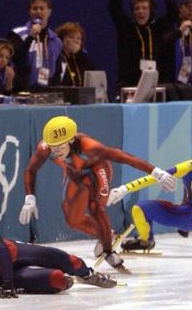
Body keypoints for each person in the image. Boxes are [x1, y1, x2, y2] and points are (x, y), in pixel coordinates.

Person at [19, 116, 176, 272]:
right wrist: (29, 198)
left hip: (98, 171)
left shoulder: (90, 147)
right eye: (53, 147)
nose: (56, 151)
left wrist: (157, 173)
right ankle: (107, 233)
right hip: (74, 174)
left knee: (95, 207)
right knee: (73, 220)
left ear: (71, 140)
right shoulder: (45, 148)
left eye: (60, 146)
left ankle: (108, 251)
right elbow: (31, 170)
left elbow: (124, 157)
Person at [108, 134, 192, 257]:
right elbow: (157, 176)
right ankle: (146, 241)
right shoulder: (189, 167)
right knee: (140, 208)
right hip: (186, 216)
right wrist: (124, 189)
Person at [108, 0, 178, 88]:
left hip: (155, 83)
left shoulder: (157, 27)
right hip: (129, 83)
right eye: (137, 8)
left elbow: (174, 13)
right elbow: (114, 6)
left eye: (144, 8)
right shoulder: (127, 27)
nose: (141, 11)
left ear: (150, 11)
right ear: (133, 12)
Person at [8, 0, 62, 92]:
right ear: (30, 11)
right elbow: (15, 57)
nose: (38, 12)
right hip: (22, 91)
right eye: (35, 8)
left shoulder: (56, 41)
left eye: (42, 8)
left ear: (49, 12)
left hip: (47, 93)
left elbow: (58, 72)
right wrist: (30, 38)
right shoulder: (18, 34)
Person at [50, 22, 95, 87]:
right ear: (62, 39)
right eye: (71, 37)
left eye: (78, 38)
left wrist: (79, 52)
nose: (76, 41)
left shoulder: (82, 59)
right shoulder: (55, 57)